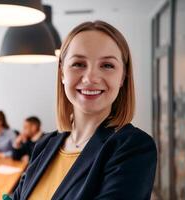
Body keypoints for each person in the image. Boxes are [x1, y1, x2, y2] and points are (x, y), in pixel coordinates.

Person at [12, 21, 157, 200]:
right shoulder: (45, 144)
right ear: (62, 73)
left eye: (107, 65)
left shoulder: (133, 147)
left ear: (123, 77)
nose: (90, 78)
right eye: (79, 64)